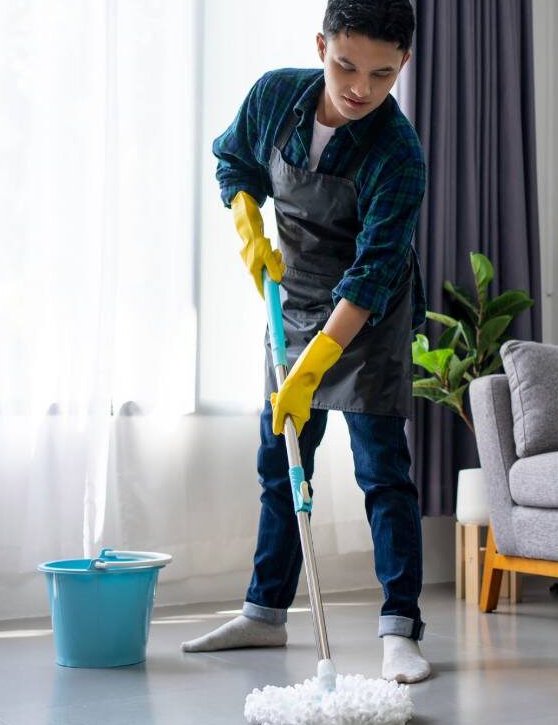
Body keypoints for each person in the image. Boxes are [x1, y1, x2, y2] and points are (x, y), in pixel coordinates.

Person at [180, 0, 431, 684]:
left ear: (402, 64)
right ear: (321, 43)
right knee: (281, 462)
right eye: (345, 64)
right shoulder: (275, 97)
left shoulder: (398, 155)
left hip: (366, 319)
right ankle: (264, 611)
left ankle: (399, 628)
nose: (359, 87)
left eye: (381, 75)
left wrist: (319, 360)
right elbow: (233, 159)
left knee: (382, 469)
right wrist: (246, 222)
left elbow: (375, 269)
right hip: (290, 300)